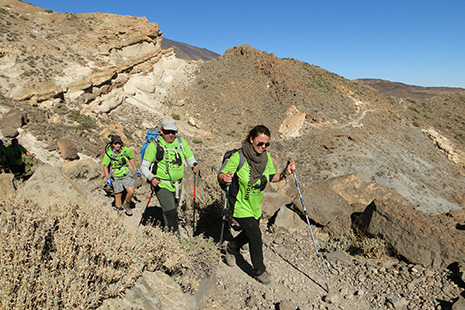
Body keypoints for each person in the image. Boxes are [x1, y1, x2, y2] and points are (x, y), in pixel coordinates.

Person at [218, 125, 296, 285]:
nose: (263, 147)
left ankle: (231, 248)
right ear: (251, 139)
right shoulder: (238, 157)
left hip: (255, 205)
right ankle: (259, 271)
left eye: (266, 144)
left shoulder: (265, 158)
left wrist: (284, 173)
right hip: (239, 204)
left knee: (249, 233)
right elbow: (221, 174)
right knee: (255, 235)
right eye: (260, 143)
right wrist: (224, 178)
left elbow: (270, 176)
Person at [140, 117, 200, 234]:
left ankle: (167, 232)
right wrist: (151, 177)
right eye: (167, 132)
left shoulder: (181, 142)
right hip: (162, 184)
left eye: (173, 132)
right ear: (161, 131)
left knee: (172, 210)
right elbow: (143, 166)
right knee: (171, 212)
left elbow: (189, 157)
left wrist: (194, 164)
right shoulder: (154, 145)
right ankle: (174, 238)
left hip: (178, 184)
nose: (171, 135)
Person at [102, 135, 140, 216]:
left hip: (125, 173)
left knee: (131, 191)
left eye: (119, 143)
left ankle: (126, 203)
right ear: (112, 144)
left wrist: (135, 168)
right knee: (118, 193)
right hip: (115, 175)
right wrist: (108, 178)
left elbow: (131, 158)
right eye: (115, 143)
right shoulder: (109, 154)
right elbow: (105, 166)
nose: (117, 145)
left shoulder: (125, 150)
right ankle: (118, 208)